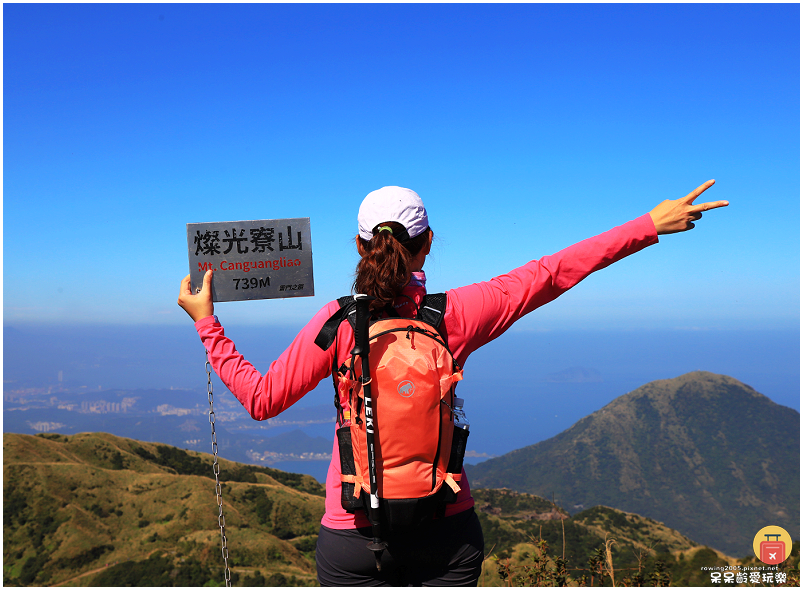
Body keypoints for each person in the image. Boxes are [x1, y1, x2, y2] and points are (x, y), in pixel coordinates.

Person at [178, 181, 727, 586]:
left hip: (353, 535)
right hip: (446, 532)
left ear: (359, 246)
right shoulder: (456, 315)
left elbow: (261, 399)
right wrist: (648, 225)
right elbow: (551, 273)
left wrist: (207, 323)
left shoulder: (338, 323)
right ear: (428, 243)